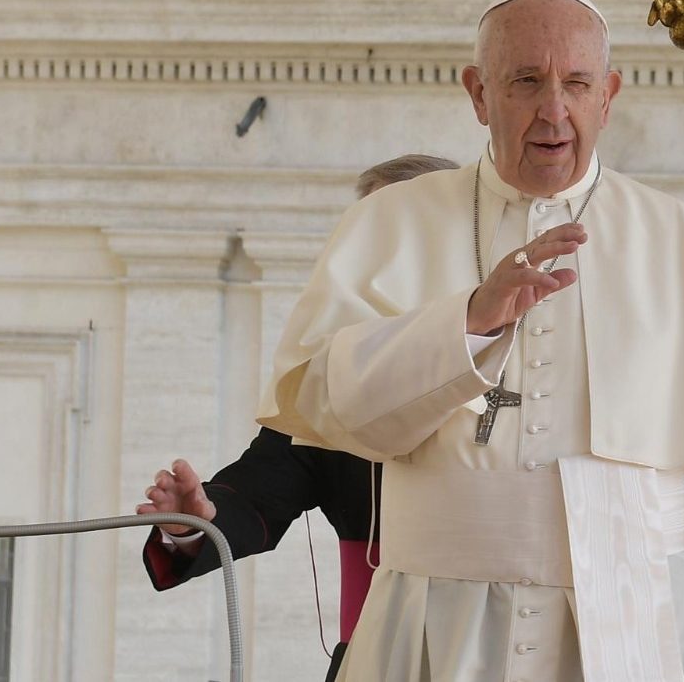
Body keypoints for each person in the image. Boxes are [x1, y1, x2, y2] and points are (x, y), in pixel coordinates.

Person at [259, 0, 684, 682]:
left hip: (648, 630)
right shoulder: (389, 223)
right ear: (478, 94)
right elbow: (323, 405)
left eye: (577, 83)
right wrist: (465, 324)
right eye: (526, 81)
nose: (554, 109)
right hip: (435, 630)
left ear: (608, 96)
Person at [135, 154, 458, 681]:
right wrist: (194, 519)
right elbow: (255, 494)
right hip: (372, 664)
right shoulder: (329, 387)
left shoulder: (530, 370)